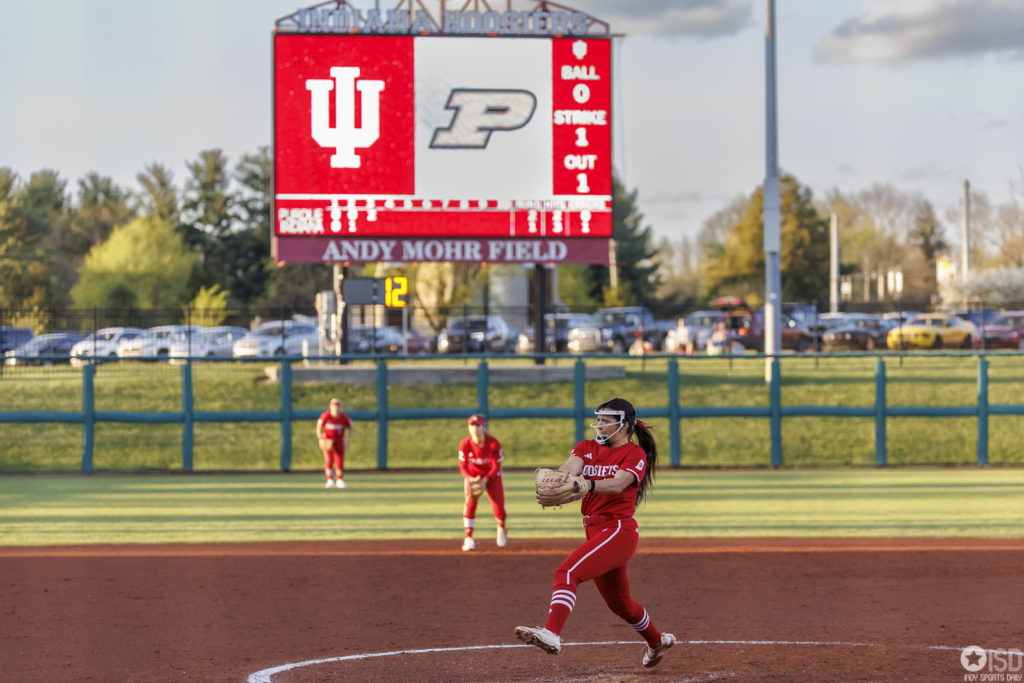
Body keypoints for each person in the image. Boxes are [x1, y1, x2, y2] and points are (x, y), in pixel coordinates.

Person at [514, 397, 675, 669]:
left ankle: (551, 633)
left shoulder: (634, 454)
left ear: (623, 426)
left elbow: (618, 483)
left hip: (618, 529)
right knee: (620, 604)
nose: (599, 425)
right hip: (594, 530)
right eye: (598, 419)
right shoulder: (586, 448)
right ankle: (657, 642)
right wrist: (561, 477)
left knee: (566, 572)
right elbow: (571, 467)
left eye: (605, 421)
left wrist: (587, 484)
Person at [458, 414, 508, 551]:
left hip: (492, 476)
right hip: (473, 476)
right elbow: (463, 467)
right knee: (470, 504)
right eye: (472, 425)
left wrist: (486, 480)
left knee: (499, 509)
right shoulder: (465, 444)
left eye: (478, 425)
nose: (475, 428)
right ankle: (468, 538)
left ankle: (501, 527)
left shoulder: (493, 443)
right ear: (468, 428)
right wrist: (470, 479)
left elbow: (496, 466)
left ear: (484, 427)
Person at [316, 398, 352, 489]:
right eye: (334, 406)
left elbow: (351, 427)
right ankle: (329, 480)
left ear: (340, 407)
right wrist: (320, 439)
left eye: (338, 406)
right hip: (328, 440)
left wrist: (347, 440)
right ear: (330, 406)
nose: (336, 408)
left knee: (339, 459)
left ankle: (340, 479)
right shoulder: (326, 416)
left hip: (339, 441)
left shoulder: (344, 417)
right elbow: (319, 427)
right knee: (329, 459)